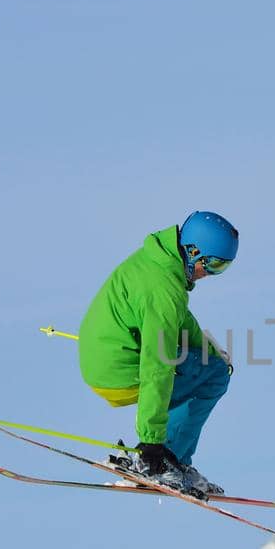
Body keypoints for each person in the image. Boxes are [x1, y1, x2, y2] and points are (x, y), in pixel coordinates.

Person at [77, 211, 237, 497]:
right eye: (212, 264)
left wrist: (212, 352)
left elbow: (182, 323)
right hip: (118, 371)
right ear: (192, 251)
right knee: (212, 376)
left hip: (107, 358)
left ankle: (172, 460)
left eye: (222, 268)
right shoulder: (162, 289)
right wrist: (150, 442)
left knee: (213, 368)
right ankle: (158, 460)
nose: (211, 274)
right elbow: (158, 365)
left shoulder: (159, 266)